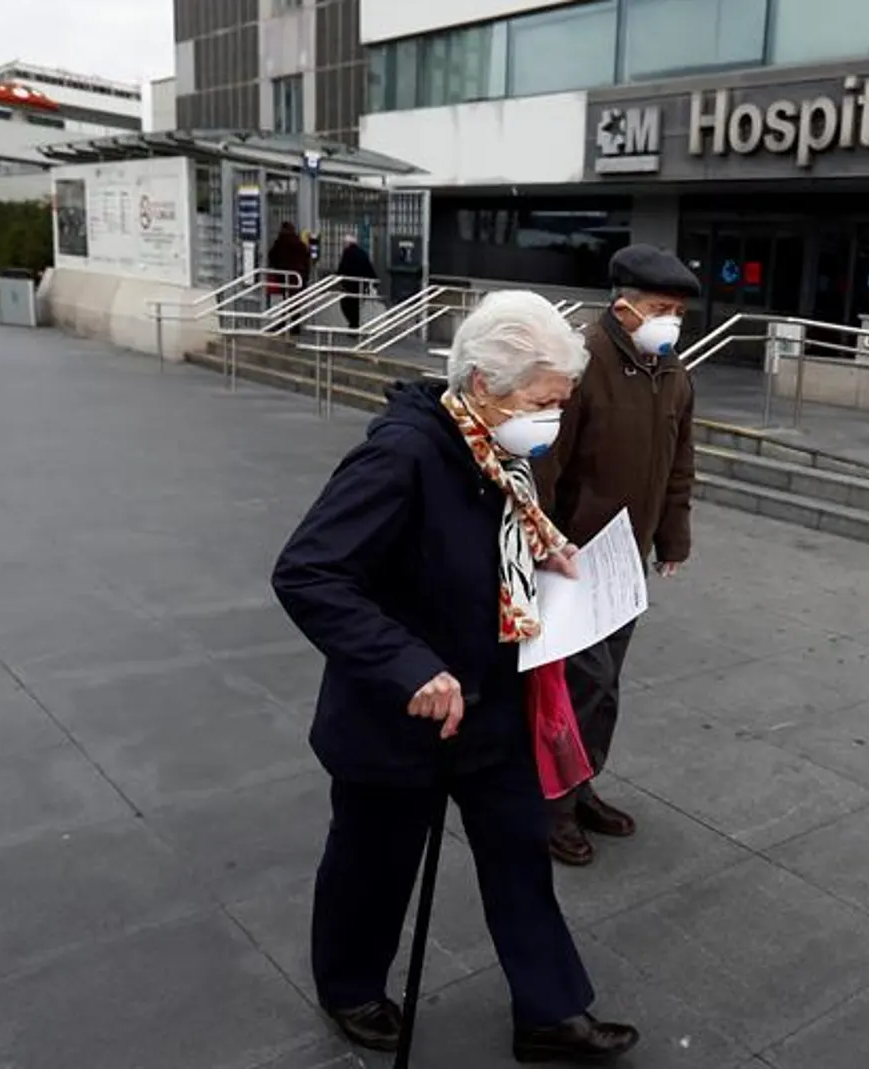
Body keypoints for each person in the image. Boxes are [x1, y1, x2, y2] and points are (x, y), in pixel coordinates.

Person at [272, 290, 639, 1064]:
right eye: (543, 403)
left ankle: (549, 1010)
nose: (552, 420)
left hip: (493, 702)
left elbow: (490, 535)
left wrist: (543, 551)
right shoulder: (401, 454)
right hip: (400, 715)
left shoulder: (496, 450)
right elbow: (309, 572)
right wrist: (409, 663)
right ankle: (350, 986)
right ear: (482, 384)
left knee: (518, 852)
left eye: (560, 404)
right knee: (372, 866)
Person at [535, 244, 700, 866]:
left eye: (679, 312)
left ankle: (579, 788)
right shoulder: (582, 364)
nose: (672, 322)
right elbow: (543, 464)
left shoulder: (674, 372)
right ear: (624, 304)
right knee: (579, 685)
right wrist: (546, 542)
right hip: (572, 556)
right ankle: (549, 808)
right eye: (662, 309)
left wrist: (672, 539)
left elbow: (679, 464)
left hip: (624, 562)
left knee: (605, 688)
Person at [333, 234, 378, 329]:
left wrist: (337, 278)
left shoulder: (347, 252)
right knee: (356, 305)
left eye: (344, 243)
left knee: (346, 304)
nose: (343, 245)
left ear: (348, 243)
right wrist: (374, 282)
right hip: (361, 284)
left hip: (350, 284)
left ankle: (353, 324)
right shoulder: (362, 252)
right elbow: (368, 267)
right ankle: (354, 325)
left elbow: (342, 268)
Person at [267, 222, 311, 301]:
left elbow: (272, 257)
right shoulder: (300, 244)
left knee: (286, 296)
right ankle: (296, 312)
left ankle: (287, 311)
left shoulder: (279, 244)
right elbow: (306, 260)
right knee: (296, 298)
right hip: (299, 275)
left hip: (283, 275)